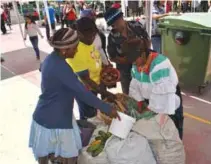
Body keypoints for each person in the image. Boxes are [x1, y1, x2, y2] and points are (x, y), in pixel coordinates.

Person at [29, 28, 120, 164]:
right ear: (64, 49)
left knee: (48, 154)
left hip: (46, 114)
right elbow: (83, 94)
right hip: (56, 119)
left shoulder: (51, 59)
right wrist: (107, 108)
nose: (76, 51)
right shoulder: (61, 67)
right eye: (74, 48)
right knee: (69, 157)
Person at [125, 34, 183, 140]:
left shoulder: (159, 64)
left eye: (134, 60)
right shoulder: (136, 66)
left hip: (168, 98)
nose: (133, 63)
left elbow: (162, 95)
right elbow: (135, 85)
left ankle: (175, 147)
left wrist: (149, 109)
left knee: (171, 129)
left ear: (142, 54)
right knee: (157, 131)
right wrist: (139, 102)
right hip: (153, 100)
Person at [66, 17, 114, 120]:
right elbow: (87, 81)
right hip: (85, 91)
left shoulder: (88, 43)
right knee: (89, 118)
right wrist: (106, 93)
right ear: (80, 34)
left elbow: (95, 58)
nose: (93, 38)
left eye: (94, 35)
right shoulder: (76, 51)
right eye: (91, 35)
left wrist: (104, 68)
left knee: (94, 115)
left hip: (95, 87)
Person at [104, 8, 147, 95]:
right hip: (125, 70)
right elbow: (112, 57)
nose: (114, 26)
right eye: (112, 25)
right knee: (128, 93)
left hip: (142, 65)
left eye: (116, 23)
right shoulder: (112, 37)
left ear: (121, 17)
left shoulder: (136, 25)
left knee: (144, 91)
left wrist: (142, 55)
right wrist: (126, 60)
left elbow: (147, 41)